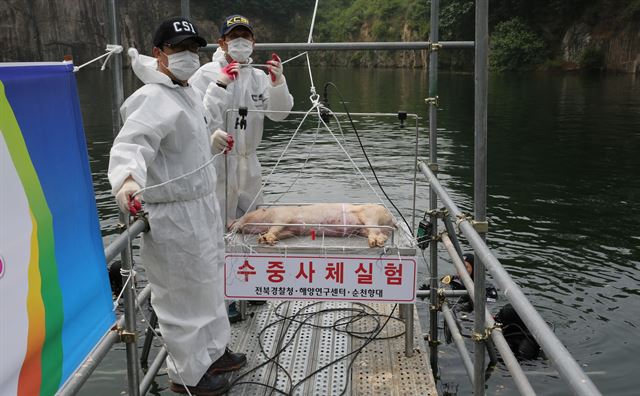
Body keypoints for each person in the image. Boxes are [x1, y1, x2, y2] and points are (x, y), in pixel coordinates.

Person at [108, 16, 245, 395]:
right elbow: (132, 144)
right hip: (174, 213)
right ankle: (188, 375)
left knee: (209, 286)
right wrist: (128, 182)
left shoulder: (183, 92)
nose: (187, 56)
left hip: (201, 207)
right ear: (158, 54)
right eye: (178, 48)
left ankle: (214, 353)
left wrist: (212, 138)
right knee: (181, 297)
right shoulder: (152, 97)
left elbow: (189, 133)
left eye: (192, 48)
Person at [190, 14, 294, 222]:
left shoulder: (259, 77)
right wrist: (210, 136)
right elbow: (192, 119)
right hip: (216, 164)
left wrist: (277, 83)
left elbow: (279, 114)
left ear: (253, 42)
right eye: (233, 36)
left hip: (249, 165)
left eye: (245, 36)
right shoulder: (204, 74)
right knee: (215, 223)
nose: (240, 41)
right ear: (222, 43)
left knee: (253, 222)